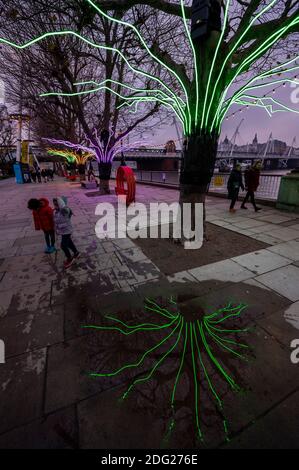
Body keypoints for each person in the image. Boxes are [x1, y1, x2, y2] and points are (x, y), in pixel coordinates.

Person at [53, 197, 80, 269]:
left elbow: (65, 211)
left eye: (57, 204)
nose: (55, 206)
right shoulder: (57, 211)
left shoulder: (65, 210)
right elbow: (57, 221)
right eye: (54, 204)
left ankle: (70, 259)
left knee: (63, 246)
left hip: (67, 230)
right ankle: (76, 253)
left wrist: (61, 207)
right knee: (69, 242)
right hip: (63, 230)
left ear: (61, 204)